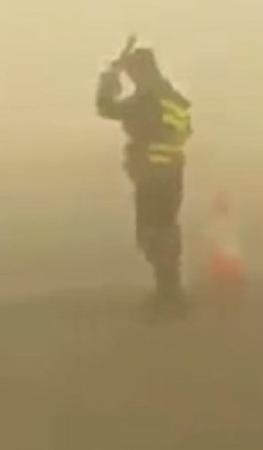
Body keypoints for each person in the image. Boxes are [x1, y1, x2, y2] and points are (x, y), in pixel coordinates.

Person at [96, 38, 193, 314]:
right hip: (172, 172)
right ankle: (171, 292)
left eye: (133, 72)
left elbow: (106, 107)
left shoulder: (146, 101)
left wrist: (110, 76)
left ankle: (167, 298)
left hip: (151, 175)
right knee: (166, 230)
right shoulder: (172, 98)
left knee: (153, 233)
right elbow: (185, 130)